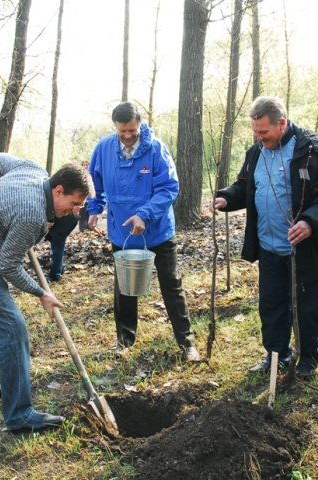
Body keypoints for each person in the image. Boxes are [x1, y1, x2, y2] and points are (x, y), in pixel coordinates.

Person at [0, 153, 94, 432]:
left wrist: (0, 200)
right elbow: (7, 266)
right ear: (58, 190)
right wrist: (41, 293)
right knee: (12, 328)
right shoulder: (31, 215)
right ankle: (19, 415)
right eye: (74, 204)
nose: (75, 212)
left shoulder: (33, 170)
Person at [210, 96, 318, 378]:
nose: (259, 138)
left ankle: (308, 357)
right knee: (271, 306)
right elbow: (244, 187)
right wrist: (226, 198)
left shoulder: (312, 150)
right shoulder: (257, 152)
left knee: (308, 308)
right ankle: (276, 356)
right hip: (269, 246)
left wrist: (309, 223)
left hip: (306, 249)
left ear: (281, 124)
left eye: (264, 132)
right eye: (255, 132)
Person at [87, 101, 199, 362]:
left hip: (157, 230)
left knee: (171, 285)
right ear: (116, 127)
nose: (127, 137)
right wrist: (94, 208)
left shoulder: (156, 149)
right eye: (122, 131)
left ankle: (187, 342)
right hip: (121, 231)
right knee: (124, 288)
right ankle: (124, 341)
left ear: (140, 125)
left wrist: (145, 214)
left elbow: (169, 187)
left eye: (132, 131)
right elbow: (95, 181)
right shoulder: (104, 148)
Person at [45, 213, 79, 282]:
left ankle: (56, 274)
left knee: (57, 245)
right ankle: (58, 270)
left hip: (61, 221)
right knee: (57, 244)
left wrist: (50, 219)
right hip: (60, 220)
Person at [78, 160, 90, 232]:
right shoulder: (79, 175)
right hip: (82, 196)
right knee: (82, 213)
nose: (86, 166)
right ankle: (82, 228)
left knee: (89, 212)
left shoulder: (91, 175)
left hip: (90, 197)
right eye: (84, 165)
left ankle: (89, 226)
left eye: (87, 165)